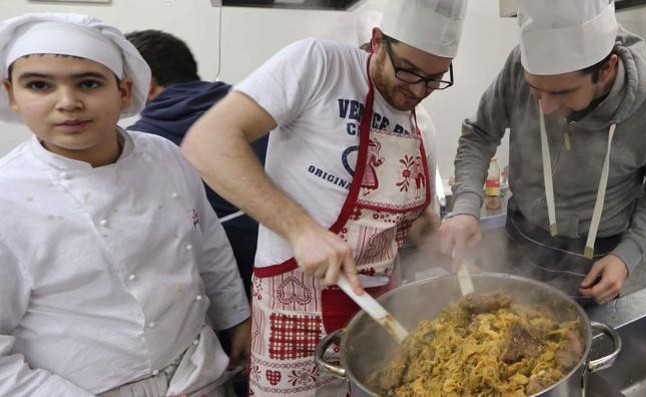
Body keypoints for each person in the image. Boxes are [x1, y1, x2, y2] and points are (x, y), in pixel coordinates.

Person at [181, 0, 467, 395]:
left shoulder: (424, 126)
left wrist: (443, 237)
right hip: (291, 309)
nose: (418, 90)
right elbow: (206, 142)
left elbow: (418, 223)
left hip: (379, 314)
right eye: (408, 71)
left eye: (434, 79)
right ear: (378, 41)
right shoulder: (320, 65)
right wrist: (300, 229)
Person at [0, 13, 250, 397]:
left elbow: (208, 247)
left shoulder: (165, 154)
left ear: (123, 91)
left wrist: (236, 318)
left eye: (88, 83)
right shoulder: (8, 195)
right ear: (12, 95)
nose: (67, 103)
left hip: (198, 372)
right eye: (39, 85)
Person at [440, 0, 646, 307]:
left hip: (598, 263)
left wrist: (627, 256)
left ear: (606, 68)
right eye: (535, 90)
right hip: (521, 244)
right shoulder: (519, 67)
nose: (544, 107)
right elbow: (479, 134)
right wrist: (465, 206)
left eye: (561, 93)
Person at [125, 29, 266, 297]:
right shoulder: (256, 109)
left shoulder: (139, 143)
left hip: (217, 285)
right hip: (293, 263)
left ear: (147, 81)